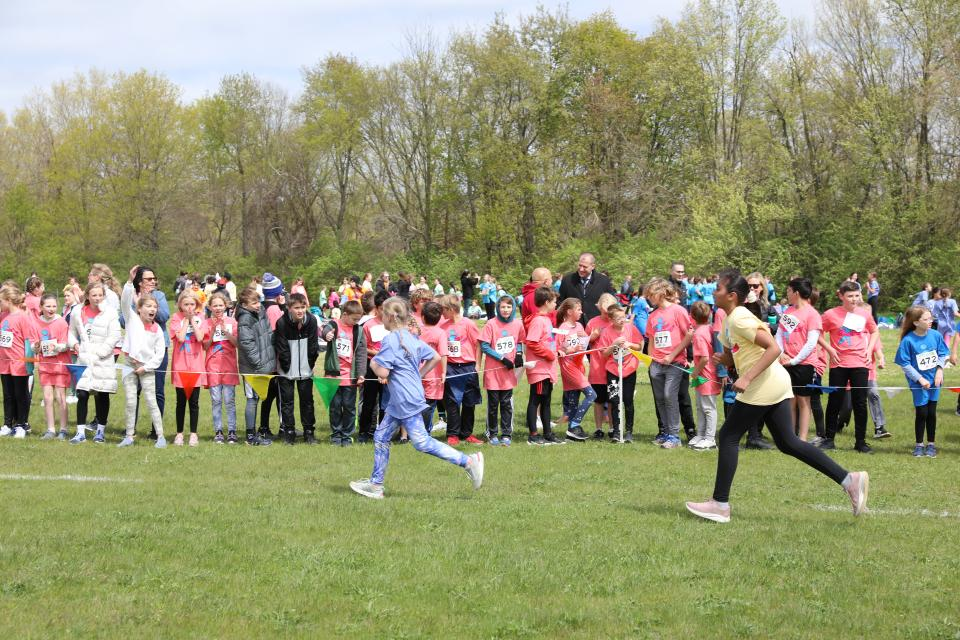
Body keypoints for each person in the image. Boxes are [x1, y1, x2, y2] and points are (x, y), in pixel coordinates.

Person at [685, 269, 869, 524]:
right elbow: (738, 351)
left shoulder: (739, 318)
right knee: (787, 442)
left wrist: (747, 378)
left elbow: (774, 348)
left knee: (728, 436)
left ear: (732, 295)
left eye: (717, 288)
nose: (713, 291)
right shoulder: (728, 319)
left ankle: (720, 504)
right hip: (773, 382)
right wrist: (726, 360)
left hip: (764, 383)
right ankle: (850, 480)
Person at [349, 297, 484, 500]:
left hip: (404, 398)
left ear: (392, 317)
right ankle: (376, 485)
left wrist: (375, 363)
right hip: (402, 397)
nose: (380, 318)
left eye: (383, 314)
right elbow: (435, 357)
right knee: (381, 436)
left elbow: (383, 372)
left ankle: (468, 462)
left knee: (421, 442)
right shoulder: (411, 337)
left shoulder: (392, 339)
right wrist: (418, 376)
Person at [817, 280, 879, 453]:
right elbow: (817, 332)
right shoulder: (830, 314)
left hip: (860, 363)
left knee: (860, 402)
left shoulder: (864, 314)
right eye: (850, 296)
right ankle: (829, 439)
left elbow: (874, 331)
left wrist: (868, 350)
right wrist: (829, 349)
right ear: (841, 296)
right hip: (839, 364)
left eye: (857, 295)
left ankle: (860, 442)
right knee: (834, 401)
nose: (854, 299)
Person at [67, 282, 121, 443]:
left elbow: (114, 335)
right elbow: (71, 332)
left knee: (101, 393)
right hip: (84, 358)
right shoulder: (77, 312)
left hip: (102, 359)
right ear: (87, 296)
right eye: (94, 295)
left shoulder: (110, 313)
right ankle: (80, 432)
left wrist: (101, 353)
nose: (97, 298)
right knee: (82, 393)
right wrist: (74, 344)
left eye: (100, 295)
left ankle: (100, 431)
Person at [646, 277, 694, 449]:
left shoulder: (678, 311)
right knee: (660, 398)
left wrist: (673, 355)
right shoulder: (653, 315)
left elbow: (689, 335)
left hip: (675, 362)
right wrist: (651, 359)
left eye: (651, 294)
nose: (649, 297)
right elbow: (651, 338)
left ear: (660, 292)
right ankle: (666, 432)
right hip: (657, 364)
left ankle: (674, 436)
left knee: (669, 396)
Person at [895, 306, 949, 458]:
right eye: (926, 319)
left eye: (930, 318)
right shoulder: (908, 340)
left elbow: (943, 353)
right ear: (916, 322)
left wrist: (939, 370)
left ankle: (931, 444)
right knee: (922, 413)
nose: (930, 321)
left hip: (935, 381)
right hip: (918, 384)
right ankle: (919, 445)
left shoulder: (936, 335)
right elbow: (905, 364)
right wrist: (920, 379)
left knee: (931, 413)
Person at [118, 283, 166, 448]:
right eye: (148, 306)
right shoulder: (131, 319)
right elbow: (124, 302)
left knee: (151, 401)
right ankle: (129, 436)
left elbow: (159, 355)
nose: (152, 309)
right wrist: (130, 284)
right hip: (129, 366)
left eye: (155, 307)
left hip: (147, 369)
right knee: (131, 401)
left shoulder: (157, 330)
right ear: (139, 308)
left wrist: (145, 368)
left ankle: (160, 437)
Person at [125, 266, 170, 437]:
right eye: (148, 279)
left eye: (154, 278)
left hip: (156, 348)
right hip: (135, 352)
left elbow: (165, 315)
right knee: (133, 392)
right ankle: (131, 429)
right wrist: (136, 305)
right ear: (139, 281)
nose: (153, 282)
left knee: (157, 391)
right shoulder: (132, 296)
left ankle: (156, 431)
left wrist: (147, 305)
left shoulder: (160, 296)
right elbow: (123, 320)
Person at [775, 278, 822, 443]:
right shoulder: (788, 312)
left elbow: (811, 342)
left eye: (788, 291)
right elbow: (780, 334)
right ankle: (790, 437)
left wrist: (794, 360)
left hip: (804, 364)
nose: (787, 294)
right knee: (790, 399)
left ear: (796, 292)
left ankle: (802, 438)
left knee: (803, 400)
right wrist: (781, 353)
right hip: (785, 361)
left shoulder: (812, 314)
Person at [478, 295, 525, 446]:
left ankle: (506, 433)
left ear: (513, 309)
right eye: (503, 307)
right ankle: (492, 433)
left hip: (508, 372)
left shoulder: (517, 324)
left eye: (508, 307)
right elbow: (484, 346)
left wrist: (518, 354)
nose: (505, 310)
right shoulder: (491, 324)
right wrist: (501, 358)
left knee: (506, 403)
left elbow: (520, 341)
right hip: (493, 371)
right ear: (498, 308)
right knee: (493, 405)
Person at [273, 292, 319, 445]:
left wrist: (309, 365)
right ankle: (289, 432)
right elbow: (282, 348)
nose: (300, 311)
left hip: (306, 370)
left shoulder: (311, 321)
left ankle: (309, 432)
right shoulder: (281, 323)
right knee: (287, 402)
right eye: (296, 308)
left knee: (307, 402)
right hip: (286, 371)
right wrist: (287, 368)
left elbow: (313, 346)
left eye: (303, 307)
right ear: (289, 308)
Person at [322, 300, 367, 446]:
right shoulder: (334, 324)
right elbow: (325, 329)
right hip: (333, 376)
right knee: (335, 407)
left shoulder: (358, 330)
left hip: (350, 377)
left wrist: (361, 374)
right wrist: (327, 334)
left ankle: (347, 436)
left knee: (349, 407)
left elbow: (361, 354)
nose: (356, 322)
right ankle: (336, 435)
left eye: (358, 319)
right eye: (354, 319)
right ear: (345, 314)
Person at [439, 294, 482, 445]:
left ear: (450, 309)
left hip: (468, 367)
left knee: (469, 402)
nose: (441, 313)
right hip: (451, 368)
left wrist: (477, 364)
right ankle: (453, 434)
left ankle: (467, 433)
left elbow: (478, 344)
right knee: (451, 402)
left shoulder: (468, 324)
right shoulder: (443, 326)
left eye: (443, 310)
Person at [597, 305, 643, 442]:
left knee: (628, 400)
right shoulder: (606, 332)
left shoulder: (630, 328)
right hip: (613, 371)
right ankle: (617, 431)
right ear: (611, 319)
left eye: (624, 317)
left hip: (629, 370)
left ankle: (629, 431)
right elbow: (604, 353)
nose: (622, 320)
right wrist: (614, 344)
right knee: (614, 400)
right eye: (618, 318)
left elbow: (639, 346)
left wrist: (630, 344)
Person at [236, 286, 273, 446]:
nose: (258, 305)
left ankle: (257, 432)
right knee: (252, 399)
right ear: (244, 305)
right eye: (254, 303)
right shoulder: (245, 319)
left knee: (258, 398)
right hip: (252, 368)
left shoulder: (261, 311)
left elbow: (269, 333)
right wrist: (259, 363)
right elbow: (246, 344)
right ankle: (250, 437)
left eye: (258, 301)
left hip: (265, 365)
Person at [554, 298, 594, 442]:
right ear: (570, 311)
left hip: (579, 366)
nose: (581, 312)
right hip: (568, 367)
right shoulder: (562, 328)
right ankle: (575, 424)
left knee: (573, 401)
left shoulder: (579, 326)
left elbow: (583, 344)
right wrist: (572, 349)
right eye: (578, 309)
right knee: (591, 395)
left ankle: (572, 433)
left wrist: (587, 339)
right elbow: (558, 349)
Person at [524, 286, 560, 445]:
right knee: (535, 401)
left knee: (546, 401)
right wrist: (548, 354)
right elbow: (532, 342)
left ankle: (548, 433)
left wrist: (557, 352)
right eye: (554, 302)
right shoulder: (538, 320)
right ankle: (533, 434)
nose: (556, 305)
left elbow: (548, 341)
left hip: (548, 369)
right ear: (546, 302)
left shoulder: (546, 319)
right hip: (539, 370)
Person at [170, 289, 206, 446]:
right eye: (186, 304)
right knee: (181, 402)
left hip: (196, 365)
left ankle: (193, 434)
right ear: (180, 305)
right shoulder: (175, 318)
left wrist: (193, 320)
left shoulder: (201, 319)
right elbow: (181, 337)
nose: (189, 307)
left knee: (194, 402)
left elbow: (199, 338)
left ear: (197, 305)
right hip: (180, 365)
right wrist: (185, 320)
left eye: (192, 304)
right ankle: (179, 433)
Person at [0, 285, 37, 438]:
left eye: (1, 300)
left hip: (19, 363)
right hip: (4, 363)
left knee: (20, 395)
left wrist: (28, 363)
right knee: (7, 395)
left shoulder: (23, 317)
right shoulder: (2, 316)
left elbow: (31, 340)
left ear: (8, 300)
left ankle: (21, 424)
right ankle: (7, 424)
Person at [204, 292, 240, 444]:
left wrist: (226, 331)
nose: (218, 308)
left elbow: (237, 344)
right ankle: (218, 431)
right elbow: (205, 346)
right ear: (210, 307)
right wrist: (212, 330)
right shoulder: (206, 323)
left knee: (229, 400)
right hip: (212, 365)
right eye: (215, 305)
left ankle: (232, 431)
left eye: (220, 305)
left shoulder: (232, 321)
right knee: (216, 399)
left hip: (229, 365)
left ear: (226, 306)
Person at [35, 293, 71, 439]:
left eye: (54, 306)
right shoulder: (36, 322)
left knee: (60, 397)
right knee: (48, 398)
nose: (51, 309)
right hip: (45, 366)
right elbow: (34, 343)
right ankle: (50, 429)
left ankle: (63, 429)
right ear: (41, 307)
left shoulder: (62, 322)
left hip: (60, 365)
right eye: (48, 306)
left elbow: (65, 345)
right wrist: (36, 347)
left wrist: (55, 347)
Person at [357, 291, 389, 444]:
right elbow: (362, 347)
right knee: (369, 401)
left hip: (389, 367)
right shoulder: (368, 325)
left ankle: (383, 433)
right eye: (383, 308)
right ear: (377, 308)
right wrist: (375, 352)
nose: (386, 311)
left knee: (386, 403)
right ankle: (364, 432)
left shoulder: (393, 325)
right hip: (372, 365)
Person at [586, 293, 617, 439]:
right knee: (598, 401)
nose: (607, 314)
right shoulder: (593, 322)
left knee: (612, 400)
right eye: (604, 311)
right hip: (597, 369)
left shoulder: (616, 322)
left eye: (609, 311)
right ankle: (598, 428)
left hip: (613, 368)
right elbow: (584, 343)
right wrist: (592, 337)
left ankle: (612, 427)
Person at [689, 301, 720, 450]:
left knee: (708, 407)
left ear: (692, 316)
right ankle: (700, 434)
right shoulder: (709, 328)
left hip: (706, 375)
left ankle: (710, 438)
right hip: (702, 375)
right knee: (700, 406)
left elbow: (705, 358)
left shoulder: (699, 334)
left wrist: (695, 372)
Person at [558, 252, 616, 324]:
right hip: (573, 325)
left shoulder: (604, 281)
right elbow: (561, 302)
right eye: (580, 265)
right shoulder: (567, 280)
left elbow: (612, 303)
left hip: (597, 325)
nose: (581, 269)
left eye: (585, 267)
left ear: (593, 266)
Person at [418, 302, 448, 433]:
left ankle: (415, 432)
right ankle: (425, 432)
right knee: (429, 405)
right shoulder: (440, 333)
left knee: (416, 404)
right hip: (433, 375)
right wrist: (444, 372)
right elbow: (443, 354)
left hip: (416, 373)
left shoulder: (417, 331)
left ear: (422, 316)